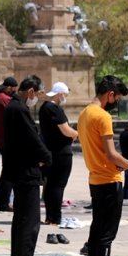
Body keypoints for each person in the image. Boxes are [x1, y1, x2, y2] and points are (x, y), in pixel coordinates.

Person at [80, 75, 128, 256]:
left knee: (97, 230)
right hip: (110, 180)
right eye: (117, 98)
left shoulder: (84, 114)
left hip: (95, 178)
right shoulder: (102, 116)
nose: (116, 102)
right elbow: (111, 153)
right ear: (110, 94)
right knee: (107, 234)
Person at [2, 76, 51, 256]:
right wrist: (47, 157)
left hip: (18, 168)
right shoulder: (19, 109)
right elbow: (31, 138)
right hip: (26, 170)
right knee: (29, 218)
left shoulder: (12, 107)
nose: (37, 98)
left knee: (21, 216)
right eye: (37, 94)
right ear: (30, 91)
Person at [38, 81, 78, 224]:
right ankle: (55, 217)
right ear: (60, 94)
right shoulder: (55, 109)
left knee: (50, 185)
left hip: (49, 150)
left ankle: (50, 217)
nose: (65, 97)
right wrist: (76, 134)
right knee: (58, 185)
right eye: (65, 94)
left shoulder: (43, 108)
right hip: (61, 152)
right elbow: (66, 130)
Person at [0, 77, 18, 211]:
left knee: (7, 172)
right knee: (8, 173)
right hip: (8, 141)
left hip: (2, 140)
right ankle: (3, 203)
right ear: (9, 88)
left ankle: (3, 202)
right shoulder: (4, 99)